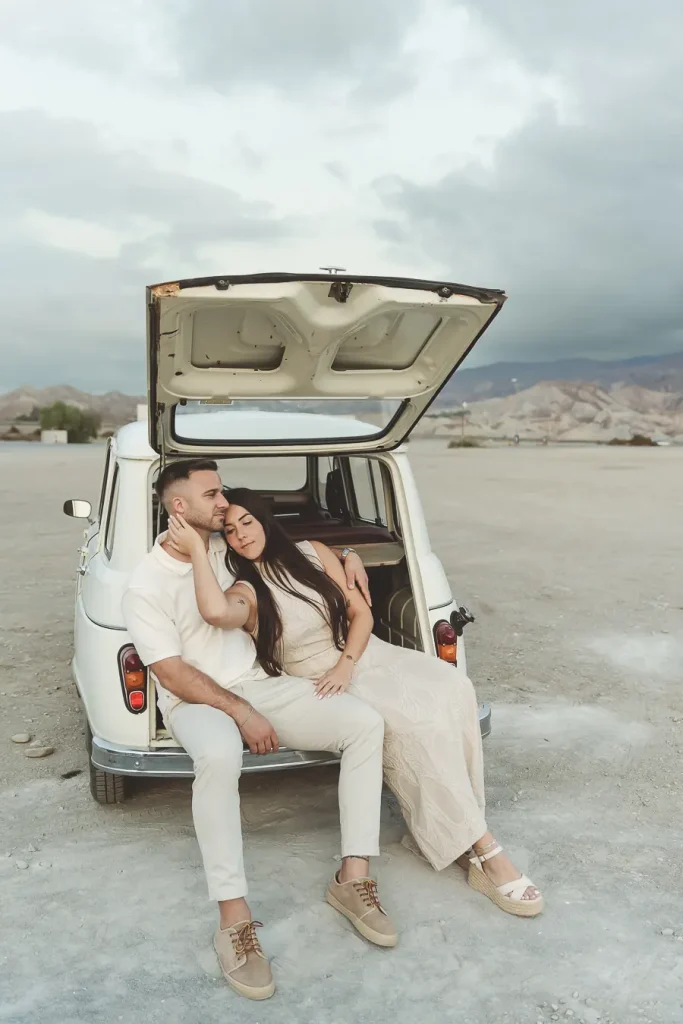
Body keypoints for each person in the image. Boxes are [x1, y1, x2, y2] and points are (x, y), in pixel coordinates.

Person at [168, 486, 544, 922]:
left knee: (452, 688)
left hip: (365, 653)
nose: (241, 536)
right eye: (230, 531)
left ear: (265, 519)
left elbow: (361, 614)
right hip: (322, 680)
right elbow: (216, 612)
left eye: (247, 522)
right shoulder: (245, 589)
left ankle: (456, 830)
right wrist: (197, 548)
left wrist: (349, 655)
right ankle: (485, 850)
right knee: (414, 726)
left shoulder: (313, 552)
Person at [121, 460, 398, 1004]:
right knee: (221, 756)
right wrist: (240, 712)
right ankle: (234, 921)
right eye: (213, 494)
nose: (224, 504)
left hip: (258, 682)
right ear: (180, 509)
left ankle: (352, 878)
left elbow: (287, 546)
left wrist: (349, 559)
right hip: (194, 700)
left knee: (364, 724)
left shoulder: (225, 547)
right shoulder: (144, 585)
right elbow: (171, 673)